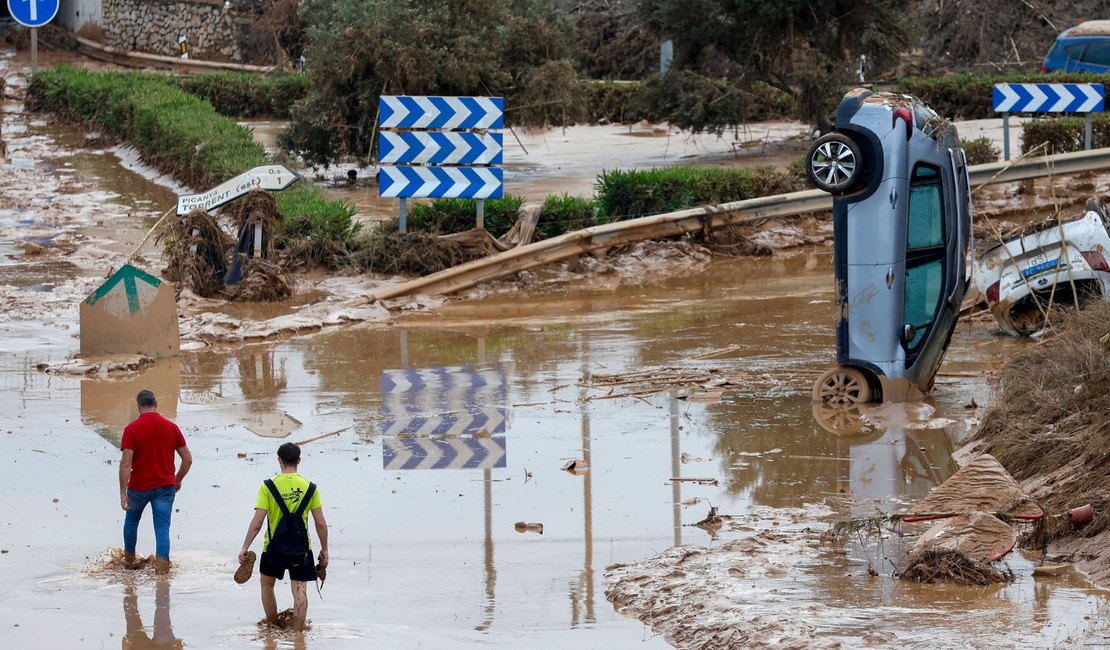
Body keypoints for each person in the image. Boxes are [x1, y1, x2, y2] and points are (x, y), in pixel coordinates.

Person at [239, 442, 329, 631]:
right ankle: (298, 633)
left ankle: (272, 627)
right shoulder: (310, 488)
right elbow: (320, 523)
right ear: (298, 460)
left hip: (273, 549)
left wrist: (245, 547)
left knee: (267, 587)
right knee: (300, 591)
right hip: (301, 550)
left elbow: (258, 521)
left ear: (279, 460)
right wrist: (325, 549)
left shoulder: (268, 486)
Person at [119, 389, 192, 573]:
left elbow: (126, 464)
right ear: (156, 404)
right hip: (165, 487)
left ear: (138, 406)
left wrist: (122, 492)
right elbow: (187, 459)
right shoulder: (171, 427)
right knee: (162, 528)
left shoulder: (131, 429)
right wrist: (178, 479)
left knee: (131, 522)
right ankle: (162, 569)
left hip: (138, 487)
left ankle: (128, 562)